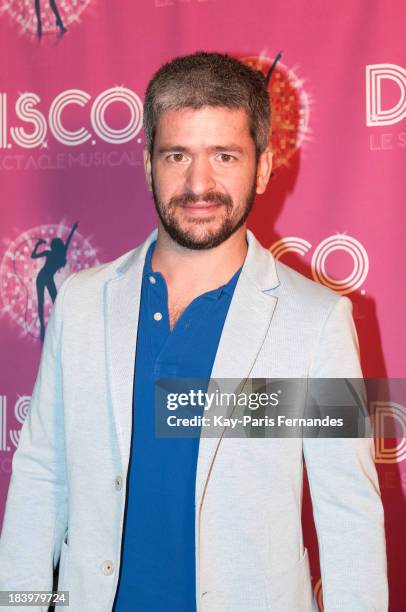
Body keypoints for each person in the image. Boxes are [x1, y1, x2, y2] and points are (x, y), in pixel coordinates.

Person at [0, 52, 388, 611]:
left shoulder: (315, 320)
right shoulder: (83, 303)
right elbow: (41, 477)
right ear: (147, 163)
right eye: (177, 155)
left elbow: (348, 514)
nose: (197, 183)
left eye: (224, 156)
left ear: (262, 164)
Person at [31, 222, 79, 342]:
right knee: (42, 301)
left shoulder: (59, 253)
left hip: (47, 278)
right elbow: (33, 255)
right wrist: (38, 244)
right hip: (42, 277)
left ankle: (57, 323)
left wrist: (73, 229)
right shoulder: (53, 253)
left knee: (56, 300)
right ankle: (42, 326)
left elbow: (68, 240)